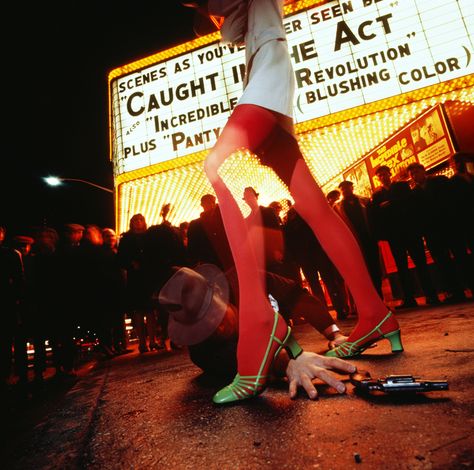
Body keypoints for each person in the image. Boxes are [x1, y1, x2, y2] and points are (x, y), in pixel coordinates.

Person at [201, 0, 402, 404]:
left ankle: (259, 325)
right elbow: (230, 25)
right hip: (267, 69)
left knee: (216, 167)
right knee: (313, 205)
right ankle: (373, 312)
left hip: (269, 72)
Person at [158, 264, 356, 399]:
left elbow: (297, 297)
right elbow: (250, 362)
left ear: (220, 294)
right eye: (205, 328)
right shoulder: (202, 353)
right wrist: (289, 362)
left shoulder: (245, 280)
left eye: (215, 315)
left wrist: (334, 334)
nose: (217, 326)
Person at [371, 165, 439, 308]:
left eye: (385, 174)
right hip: (394, 236)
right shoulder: (377, 196)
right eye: (380, 176)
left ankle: (431, 295)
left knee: (421, 263)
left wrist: (390, 204)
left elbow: (411, 203)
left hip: (411, 231)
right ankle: (409, 298)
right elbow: (376, 217)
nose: (383, 177)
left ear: (390, 174)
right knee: (401, 267)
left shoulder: (402, 186)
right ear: (377, 179)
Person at [335, 180, 383, 297]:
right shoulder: (337, 207)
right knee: (360, 271)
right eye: (343, 188)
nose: (346, 190)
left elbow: (374, 219)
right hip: (352, 244)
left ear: (352, 188)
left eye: (348, 187)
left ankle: (379, 297)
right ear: (341, 191)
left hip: (369, 240)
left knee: (375, 269)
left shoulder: (364, 201)